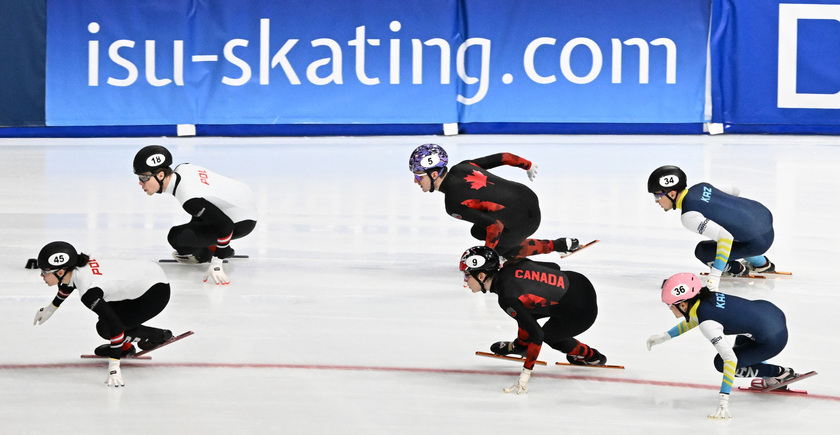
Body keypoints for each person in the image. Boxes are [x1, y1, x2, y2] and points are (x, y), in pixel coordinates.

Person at [646, 272, 798, 419]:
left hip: (773, 339)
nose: (670, 309)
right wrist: (665, 337)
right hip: (770, 312)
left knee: (721, 363)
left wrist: (723, 400)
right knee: (741, 345)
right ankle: (764, 367)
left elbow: (729, 359)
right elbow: (694, 318)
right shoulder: (706, 296)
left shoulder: (708, 324)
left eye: (670, 305)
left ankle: (779, 373)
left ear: (683, 305)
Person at [460, 245, 607, 394]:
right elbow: (554, 266)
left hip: (582, 311)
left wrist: (525, 373)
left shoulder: (506, 298)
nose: (465, 280)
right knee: (525, 310)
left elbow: (538, 335)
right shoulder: (513, 264)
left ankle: (591, 356)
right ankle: (521, 345)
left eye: (467, 275)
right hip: (579, 281)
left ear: (481, 276)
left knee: (549, 336)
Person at [32, 241, 173, 387]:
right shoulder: (77, 269)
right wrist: (50, 309)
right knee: (107, 314)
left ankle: (159, 335)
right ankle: (126, 347)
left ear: (60, 272)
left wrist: (114, 367)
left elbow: (115, 326)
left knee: (105, 328)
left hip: (155, 293)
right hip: (147, 273)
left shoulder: (89, 292)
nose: (42, 276)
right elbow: (68, 285)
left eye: (44, 272)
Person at [410, 144, 580, 260]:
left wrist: (490, 256)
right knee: (478, 230)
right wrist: (527, 165)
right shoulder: (462, 166)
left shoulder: (452, 204)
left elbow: (494, 226)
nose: (416, 181)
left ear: (433, 175)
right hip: (527, 196)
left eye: (418, 176)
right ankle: (559, 244)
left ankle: (557, 245)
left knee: (500, 249)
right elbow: (504, 157)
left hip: (523, 222)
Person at [133, 145, 257, 285]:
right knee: (198, 214)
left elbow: (226, 224)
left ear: (161, 175)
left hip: (242, 221)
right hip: (242, 196)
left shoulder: (188, 198)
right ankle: (217, 247)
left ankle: (212, 253)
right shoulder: (183, 168)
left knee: (177, 237)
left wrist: (217, 262)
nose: (140, 182)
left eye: (144, 177)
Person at [647, 165, 776, 290]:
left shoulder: (688, 216)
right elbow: (735, 191)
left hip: (759, 242)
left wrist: (714, 277)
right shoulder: (701, 187)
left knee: (703, 251)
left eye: (658, 196)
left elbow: (725, 238)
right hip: (763, 214)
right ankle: (763, 264)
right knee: (735, 232)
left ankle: (737, 269)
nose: (656, 201)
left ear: (673, 194)